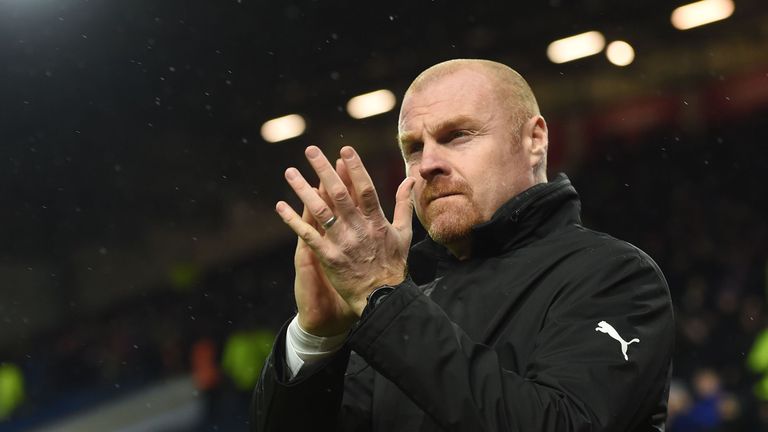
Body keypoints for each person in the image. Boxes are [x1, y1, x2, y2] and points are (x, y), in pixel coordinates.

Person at [251, 59, 675, 431]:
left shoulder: (617, 276)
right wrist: (316, 341)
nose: (429, 163)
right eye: (413, 148)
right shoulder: (400, 296)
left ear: (535, 140)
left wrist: (385, 296)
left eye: (457, 135)